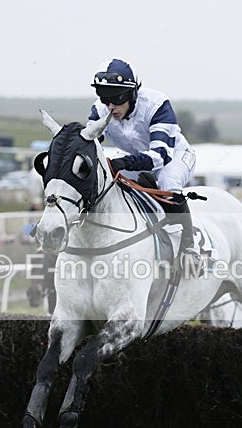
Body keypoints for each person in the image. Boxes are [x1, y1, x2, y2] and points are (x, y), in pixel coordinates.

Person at [86, 58, 201, 272]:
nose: (111, 107)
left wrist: (121, 162)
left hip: (173, 155)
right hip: (137, 158)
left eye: (117, 99)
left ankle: (188, 247)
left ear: (131, 93)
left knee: (168, 182)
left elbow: (160, 156)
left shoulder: (157, 104)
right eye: (104, 99)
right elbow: (89, 145)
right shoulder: (99, 110)